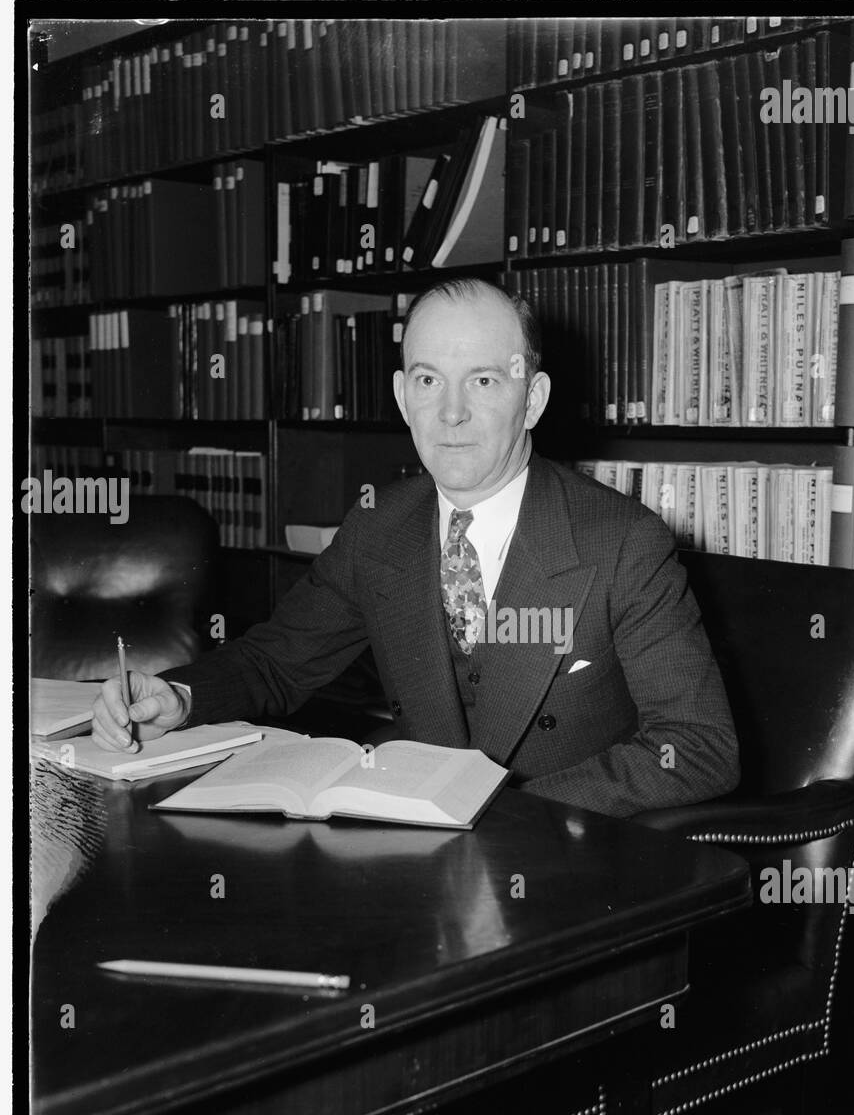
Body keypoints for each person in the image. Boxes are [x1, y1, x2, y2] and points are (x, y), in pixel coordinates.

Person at [90, 277, 739, 818]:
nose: (450, 412)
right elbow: (277, 663)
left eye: (483, 381)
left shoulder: (622, 541)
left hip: (559, 862)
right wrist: (180, 698)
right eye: (428, 381)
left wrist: (513, 809)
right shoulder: (381, 524)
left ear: (532, 399)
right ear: (403, 398)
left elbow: (698, 746)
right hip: (414, 851)